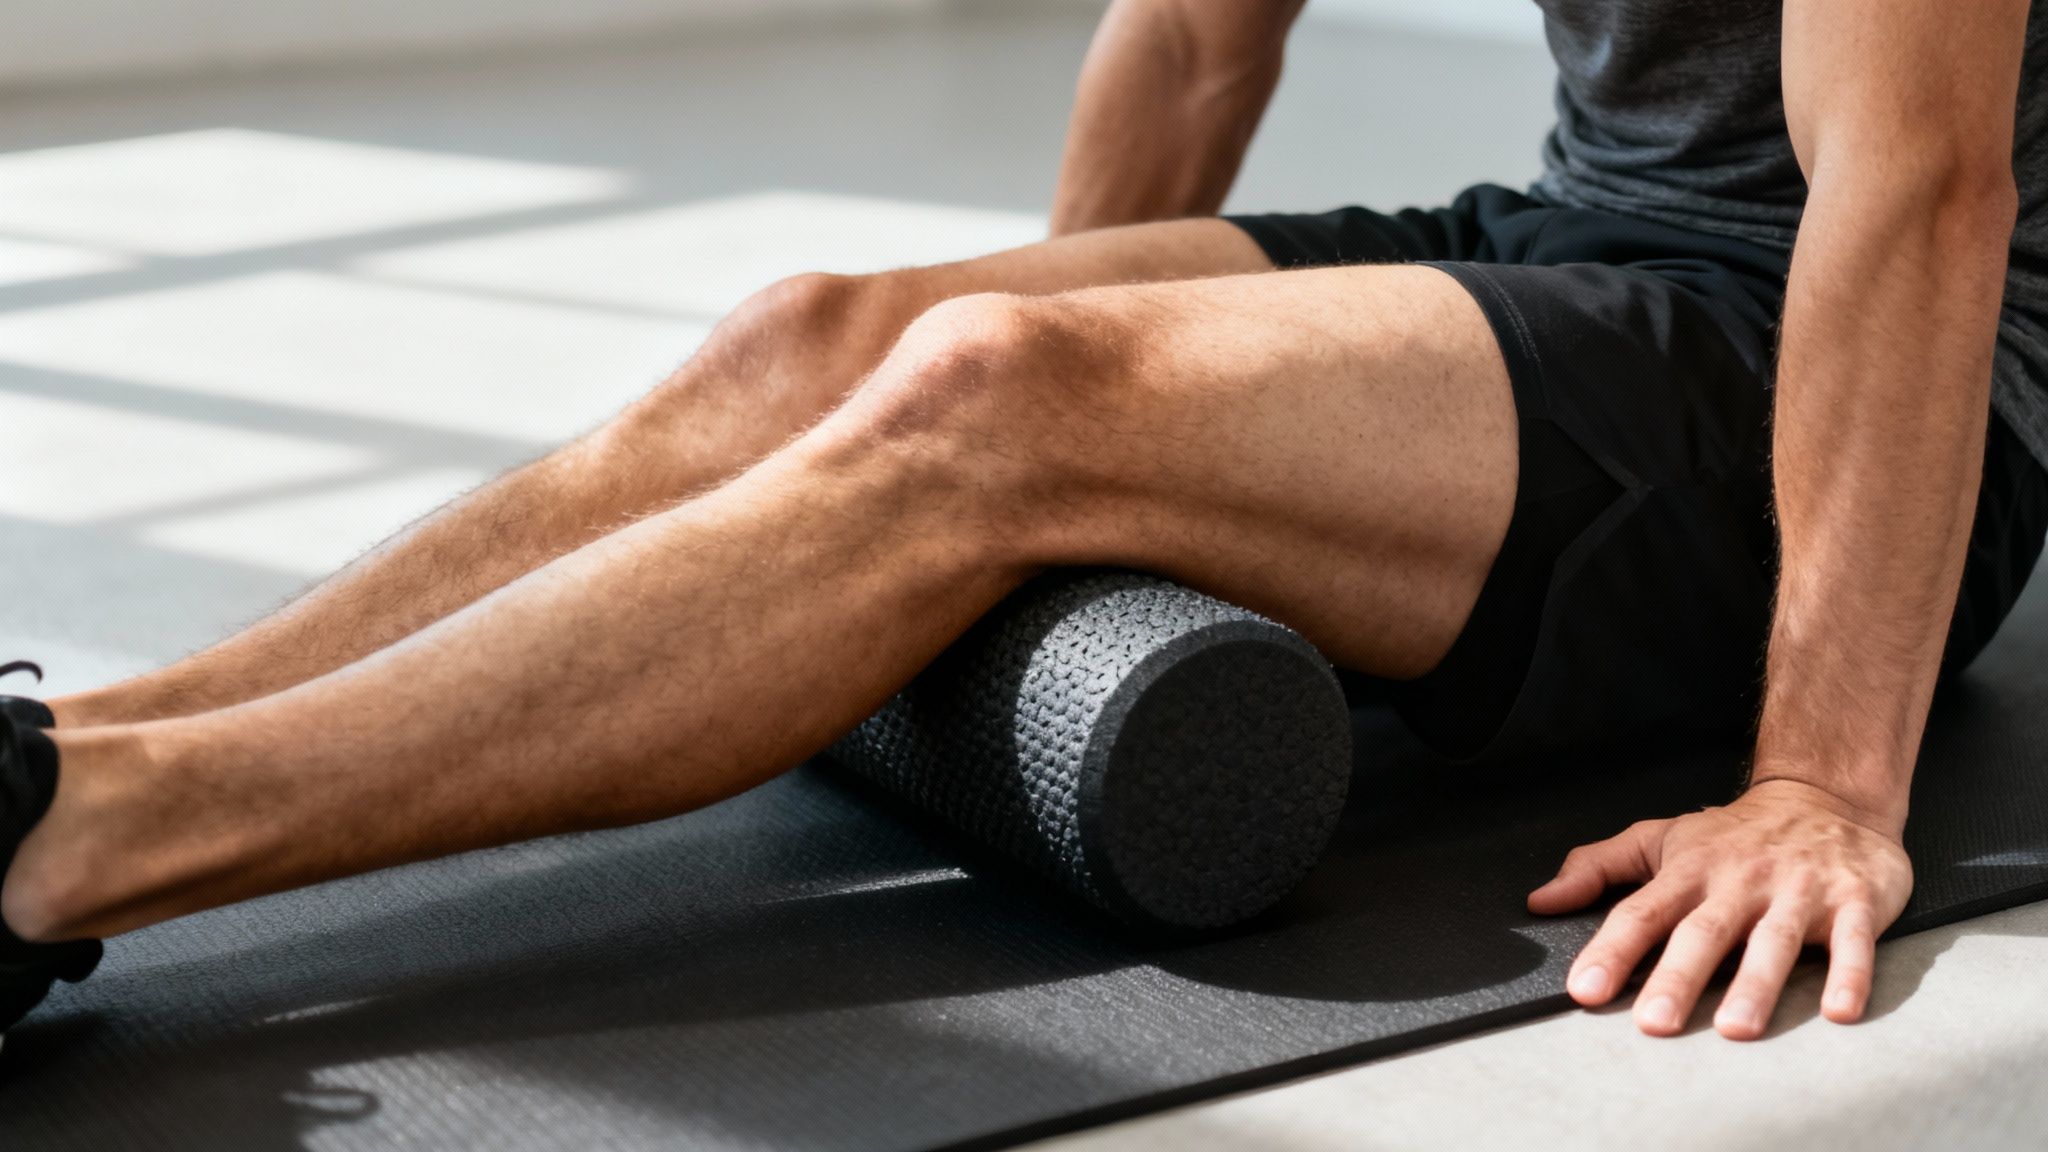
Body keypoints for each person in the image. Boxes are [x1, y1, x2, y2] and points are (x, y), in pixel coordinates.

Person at [3, 0, 2044, 1045]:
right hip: (1579, 233)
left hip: (1834, 352)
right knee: (814, 346)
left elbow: (1924, 185)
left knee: (998, 405)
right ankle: (86, 737)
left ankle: (68, 858)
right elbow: (1189, 32)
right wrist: (997, 476)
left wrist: (1818, 780)